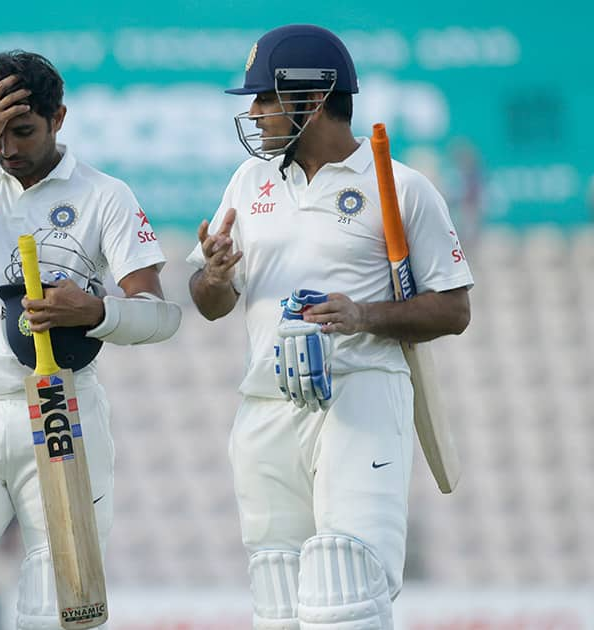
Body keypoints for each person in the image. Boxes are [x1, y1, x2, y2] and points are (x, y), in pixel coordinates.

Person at [0, 50, 181, 630]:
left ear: (58, 118)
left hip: (61, 406)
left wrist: (94, 310)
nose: (9, 149)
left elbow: (159, 315)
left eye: (23, 131)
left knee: (61, 611)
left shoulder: (103, 195)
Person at [187, 25, 473, 629]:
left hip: (360, 394)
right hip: (266, 403)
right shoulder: (249, 182)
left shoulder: (401, 188)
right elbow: (210, 304)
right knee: (278, 600)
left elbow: (453, 309)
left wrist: (364, 315)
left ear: (313, 98)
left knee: (345, 590)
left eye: (265, 97)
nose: (256, 113)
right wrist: (214, 275)